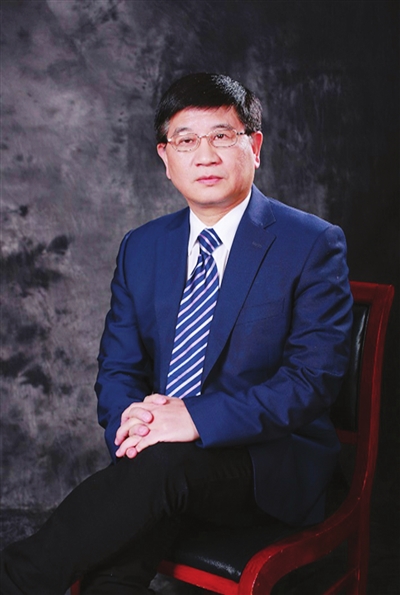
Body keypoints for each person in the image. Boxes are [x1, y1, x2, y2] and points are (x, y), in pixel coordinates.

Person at [0, 73, 353, 595]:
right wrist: (131, 426)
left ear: (255, 147)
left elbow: (310, 381)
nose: (205, 155)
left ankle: (17, 577)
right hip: (160, 467)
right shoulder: (142, 247)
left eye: (222, 136)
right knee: (116, 562)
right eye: (186, 140)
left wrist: (193, 419)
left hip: (267, 462)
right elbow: (119, 368)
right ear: (166, 159)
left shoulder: (311, 243)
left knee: (155, 474)